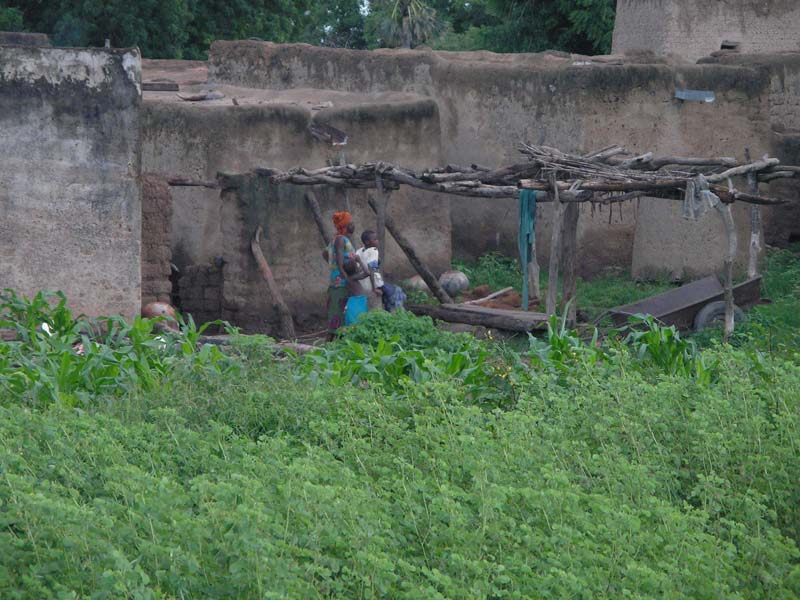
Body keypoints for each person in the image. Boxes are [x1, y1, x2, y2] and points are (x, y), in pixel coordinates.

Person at [324, 211, 359, 340]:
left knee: (337, 311)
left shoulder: (337, 239)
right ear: (345, 225)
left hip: (338, 278)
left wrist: (332, 265)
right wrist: (346, 277)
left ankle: (333, 343)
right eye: (351, 222)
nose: (353, 225)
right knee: (338, 312)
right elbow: (339, 263)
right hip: (341, 281)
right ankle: (332, 342)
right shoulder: (340, 239)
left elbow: (325, 253)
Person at [355, 230, 406, 312]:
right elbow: (371, 270)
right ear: (367, 242)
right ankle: (396, 313)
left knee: (387, 294)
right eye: (375, 239)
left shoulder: (359, 251)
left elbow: (358, 268)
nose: (377, 241)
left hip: (361, 283)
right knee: (397, 291)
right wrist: (374, 288)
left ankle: (389, 309)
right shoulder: (374, 250)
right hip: (372, 284)